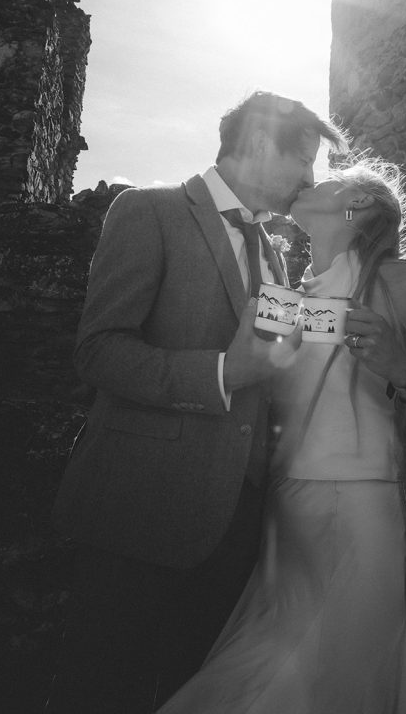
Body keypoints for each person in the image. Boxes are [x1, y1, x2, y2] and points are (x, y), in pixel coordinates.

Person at [155, 155, 406, 714]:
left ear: (360, 205)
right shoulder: (285, 291)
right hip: (279, 525)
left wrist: (404, 371)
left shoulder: (403, 285)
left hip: (359, 517)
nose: (307, 178)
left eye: (326, 178)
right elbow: (247, 384)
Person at [46, 90, 349, 714]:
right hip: (138, 510)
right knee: (101, 691)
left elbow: (270, 370)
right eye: (305, 162)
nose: (308, 181)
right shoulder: (149, 211)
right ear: (261, 144)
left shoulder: (274, 251)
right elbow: (98, 352)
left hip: (236, 526)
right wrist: (221, 373)